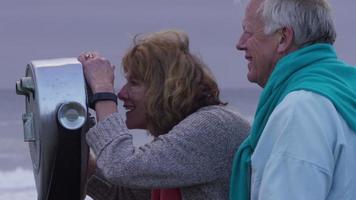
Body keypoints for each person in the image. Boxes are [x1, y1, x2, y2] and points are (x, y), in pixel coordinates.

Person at [78, 30, 250, 200]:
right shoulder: (185, 135)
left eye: (134, 83)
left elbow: (121, 167)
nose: (121, 93)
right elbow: (126, 194)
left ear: (167, 88)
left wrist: (102, 90)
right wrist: (80, 158)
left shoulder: (212, 127)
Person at [229, 0, 356, 199]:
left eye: (249, 32)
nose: (240, 44)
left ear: (283, 38)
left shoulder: (301, 109)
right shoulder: (345, 91)